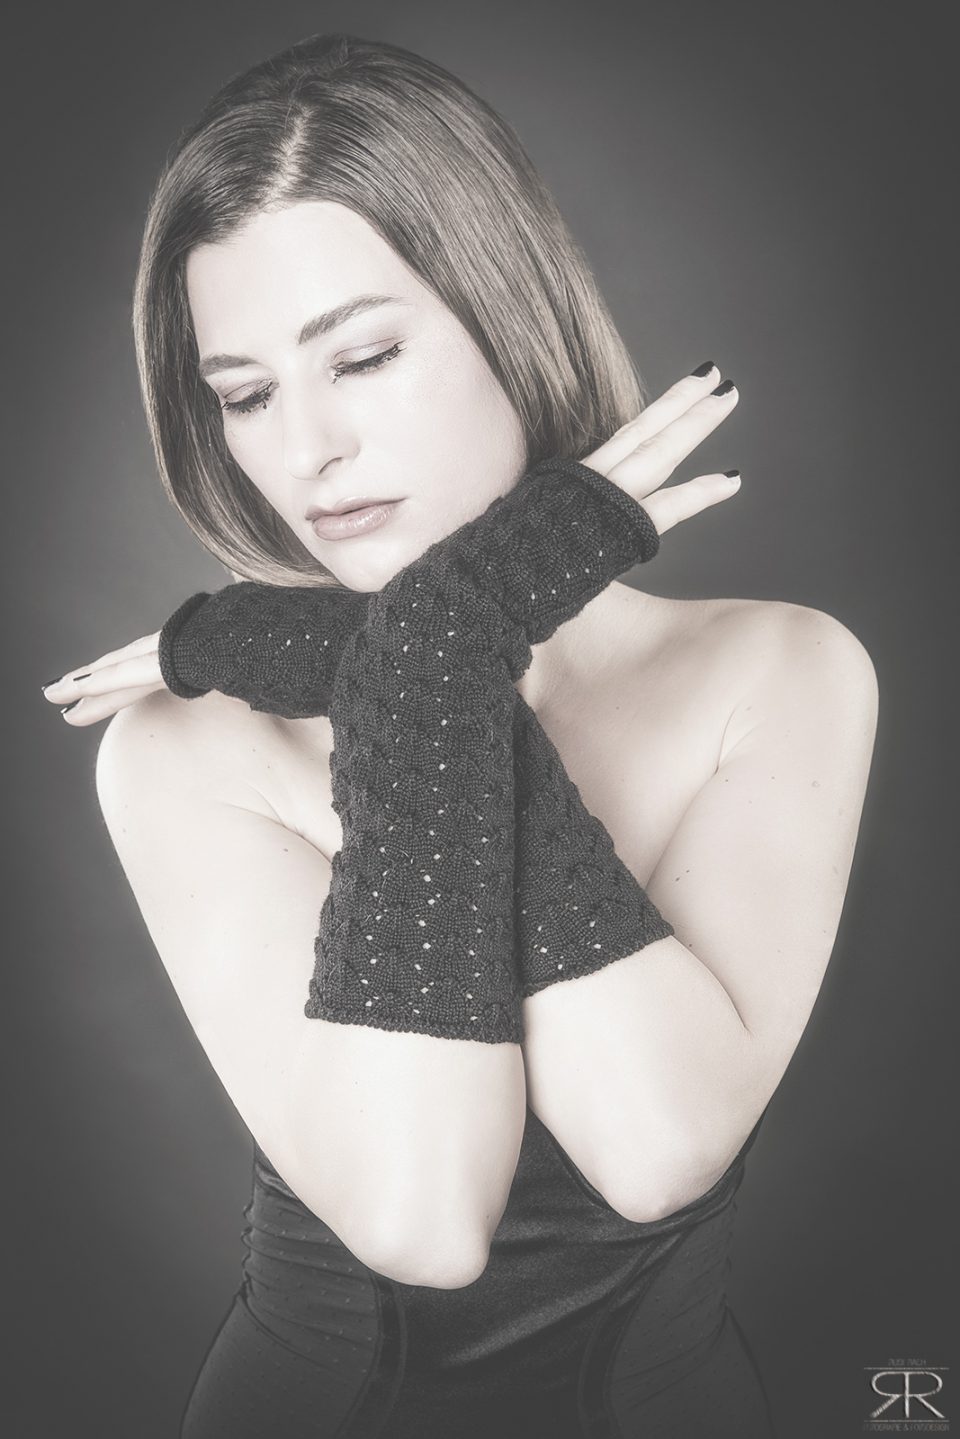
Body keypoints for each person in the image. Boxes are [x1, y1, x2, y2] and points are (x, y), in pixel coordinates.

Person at [40, 32, 878, 1439]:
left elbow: (655, 1147)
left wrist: (433, 646)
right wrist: (427, 661)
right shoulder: (185, 751)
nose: (305, 450)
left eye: (363, 357)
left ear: (508, 314)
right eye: (246, 395)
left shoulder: (781, 671)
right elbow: (420, 1217)